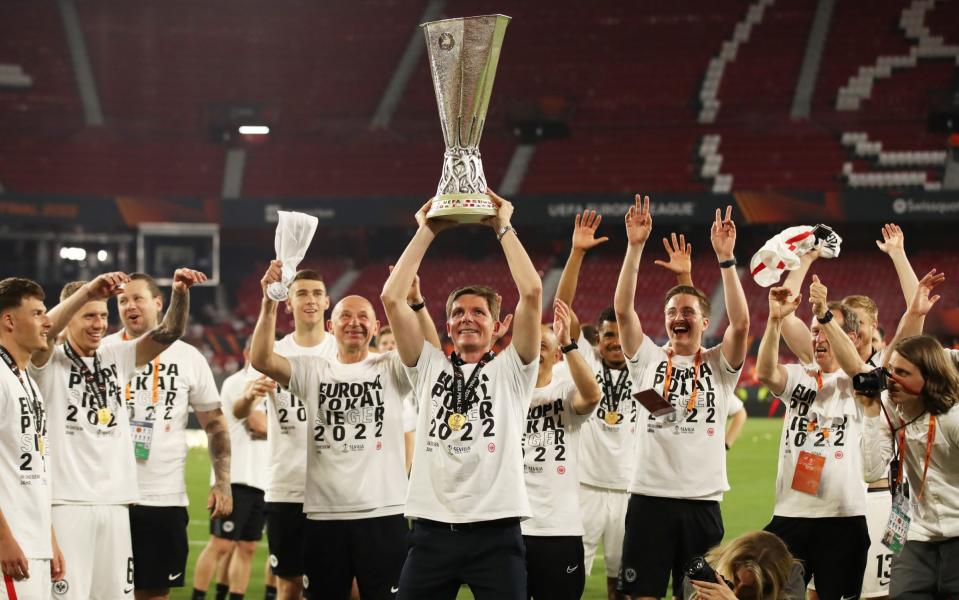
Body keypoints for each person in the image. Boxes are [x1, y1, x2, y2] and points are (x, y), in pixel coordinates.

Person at [381, 191, 542, 599]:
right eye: (457, 313)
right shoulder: (429, 366)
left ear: (497, 324)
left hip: (496, 533)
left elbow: (533, 293)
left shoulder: (514, 369)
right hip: (432, 531)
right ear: (447, 326)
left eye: (478, 312)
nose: (466, 318)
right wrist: (426, 231)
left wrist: (503, 226)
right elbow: (391, 298)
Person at [29, 268, 205, 600]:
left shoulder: (114, 356)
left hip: (116, 503)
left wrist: (180, 292)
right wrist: (88, 291)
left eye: (102, 315)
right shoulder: (47, 361)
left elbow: (169, 332)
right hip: (68, 504)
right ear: (69, 319)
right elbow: (45, 330)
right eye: (88, 316)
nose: (98, 324)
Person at [252, 272, 421, 599]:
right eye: (345, 316)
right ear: (332, 327)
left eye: (363, 317)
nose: (354, 323)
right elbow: (261, 359)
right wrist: (269, 302)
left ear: (375, 328)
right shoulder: (313, 369)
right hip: (324, 514)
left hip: (383, 512)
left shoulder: (392, 368)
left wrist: (409, 303)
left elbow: (422, 347)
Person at [614, 198, 749, 600]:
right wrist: (635, 246)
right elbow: (623, 311)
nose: (679, 316)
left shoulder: (720, 366)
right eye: (673, 310)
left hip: (701, 504)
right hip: (649, 500)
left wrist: (725, 259)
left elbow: (741, 323)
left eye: (689, 310)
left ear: (705, 322)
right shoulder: (647, 360)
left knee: (701, 596)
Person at [554, 211, 693, 600]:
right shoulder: (585, 364)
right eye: (608, 336)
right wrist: (577, 253)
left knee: (623, 584)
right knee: (570, 578)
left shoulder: (643, 374)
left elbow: (668, 416)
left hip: (630, 491)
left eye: (620, 335)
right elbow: (562, 309)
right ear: (597, 338)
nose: (615, 342)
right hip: (583, 488)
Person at [824, 270, 958, 599]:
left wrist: (915, 312)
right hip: (915, 537)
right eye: (890, 371)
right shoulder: (889, 414)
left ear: (927, 378)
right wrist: (871, 412)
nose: (890, 380)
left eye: (901, 373)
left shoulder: (952, 420)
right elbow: (871, 470)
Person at [102, 273, 230, 600]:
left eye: (137, 298)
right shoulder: (102, 353)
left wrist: (223, 481)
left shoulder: (188, 357)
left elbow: (214, 423)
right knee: (101, 592)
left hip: (164, 497)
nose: (129, 305)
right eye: (122, 301)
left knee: (155, 594)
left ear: (159, 303)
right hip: (108, 497)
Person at [755, 284, 871, 598]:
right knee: (773, 592)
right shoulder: (799, 375)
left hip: (843, 515)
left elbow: (859, 373)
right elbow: (765, 373)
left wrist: (824, 314)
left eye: (823, 331)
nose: (817, 339)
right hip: (792, 512)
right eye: (813, 331)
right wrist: (774, 322)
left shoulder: (860, 381)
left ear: (850, 337)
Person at [260, 269, 335, 600]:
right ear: (288, 302)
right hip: (287, 487)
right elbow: (247, 415)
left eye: (317, 293)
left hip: (337, 489)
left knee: (343, 584)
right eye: (302, 293)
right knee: (288, 585)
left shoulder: (342, 351)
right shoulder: (273, 351)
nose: (311, 299)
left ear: (327, 301)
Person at [522, 299, 601, 599]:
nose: (535, 347)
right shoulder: (506, 391)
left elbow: (592, 397)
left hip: (558, 528)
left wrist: (569, 343)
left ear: (556, 354)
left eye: (543, 344)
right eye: (531, 342)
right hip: (511, 529)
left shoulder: (565, 392)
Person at [0, 277, 65, 596]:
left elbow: (34, 465)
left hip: (33, 544)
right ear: (9, 320)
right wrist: (3, 540)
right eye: (38, 313)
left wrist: (48, 538)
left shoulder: (26, 381)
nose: (48, 321)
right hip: (10, 549)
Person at [192, 339, 270, 600]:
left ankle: (230, 596)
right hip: (237, 478)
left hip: (262, 480)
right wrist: (286, 430)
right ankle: (198, 596)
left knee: (247, 548)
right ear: (249, 352)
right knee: (221, 545)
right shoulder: (239, 382)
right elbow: (258, 424)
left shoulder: (274, 387)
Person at [681, 531, 805, 600]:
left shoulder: (790, 577)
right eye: (736, 579)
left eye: (749, 588)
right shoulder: (704, 573)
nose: (736, 591)